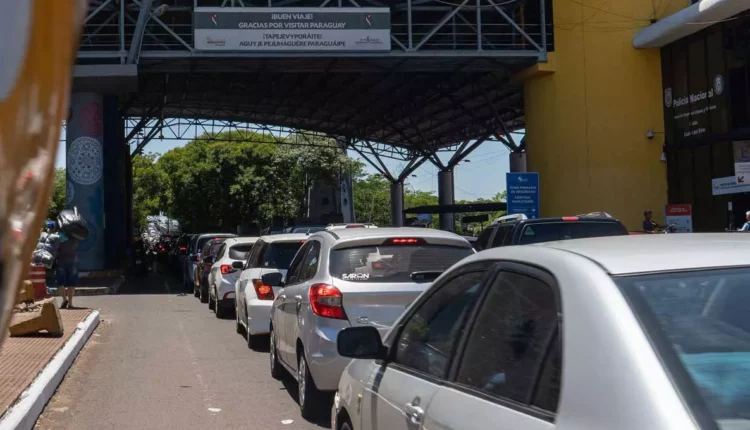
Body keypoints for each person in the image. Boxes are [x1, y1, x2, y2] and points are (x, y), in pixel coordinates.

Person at [0, 2, 86, 343]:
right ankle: (68, 301)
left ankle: (61, 301)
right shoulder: (74, 241)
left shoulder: (54, 238)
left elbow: (41, 252)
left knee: (60, 276)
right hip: (71, 261)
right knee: (70, 278)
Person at [55, 232, 80, 309]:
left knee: (60, 282)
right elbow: (77, 245)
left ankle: (64, 299)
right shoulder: (75, 234)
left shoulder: (58, 234)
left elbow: (54, 247)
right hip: (72, 261)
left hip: (60, 261)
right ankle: (70, 302)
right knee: (71, 283)